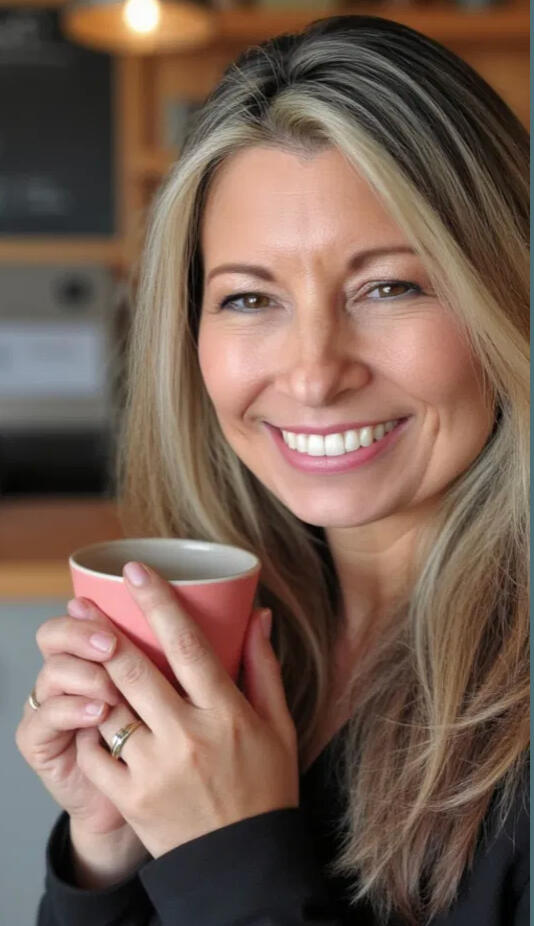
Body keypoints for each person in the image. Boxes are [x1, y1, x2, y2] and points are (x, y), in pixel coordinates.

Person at [16, 14, 529, 926]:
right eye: (250, 297)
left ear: (507, 296)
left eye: (389, 287)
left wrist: (224, 857)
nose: (313, 372)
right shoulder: (256, 638)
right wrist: (111, 852)